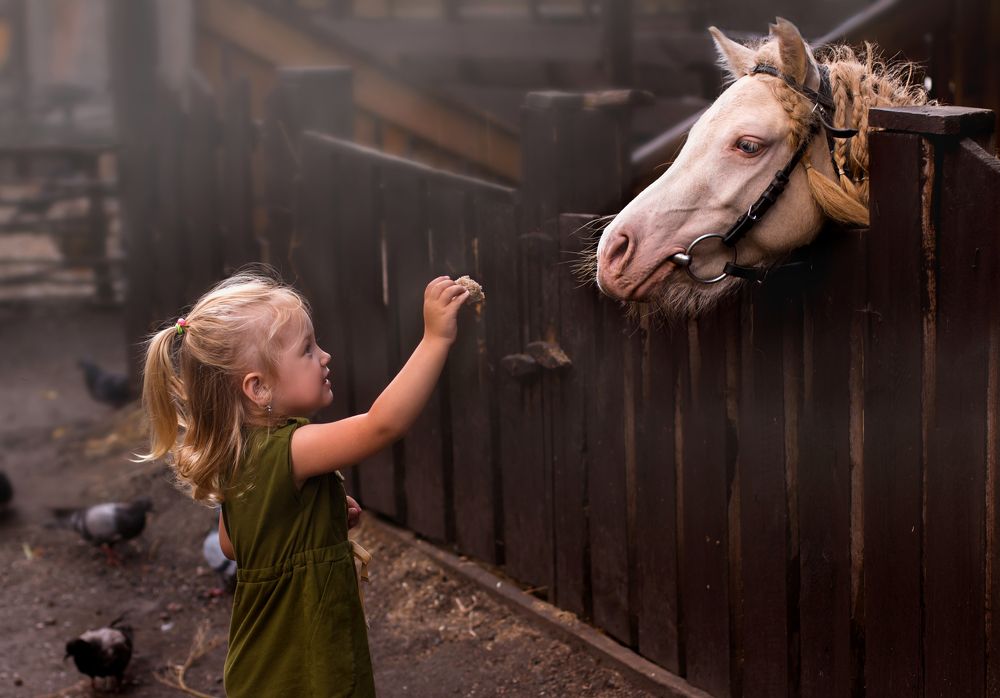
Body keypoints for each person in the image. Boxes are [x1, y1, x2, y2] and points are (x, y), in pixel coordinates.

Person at [140, 268, 469, 696]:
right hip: (306, 665)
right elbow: (381, 426)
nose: (325, 356)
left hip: (262, 664)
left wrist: (314, 517)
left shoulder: (238, 454)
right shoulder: (290, 448)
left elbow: (233, 544)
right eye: (308, 350)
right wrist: (435, 339)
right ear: (258, 389)